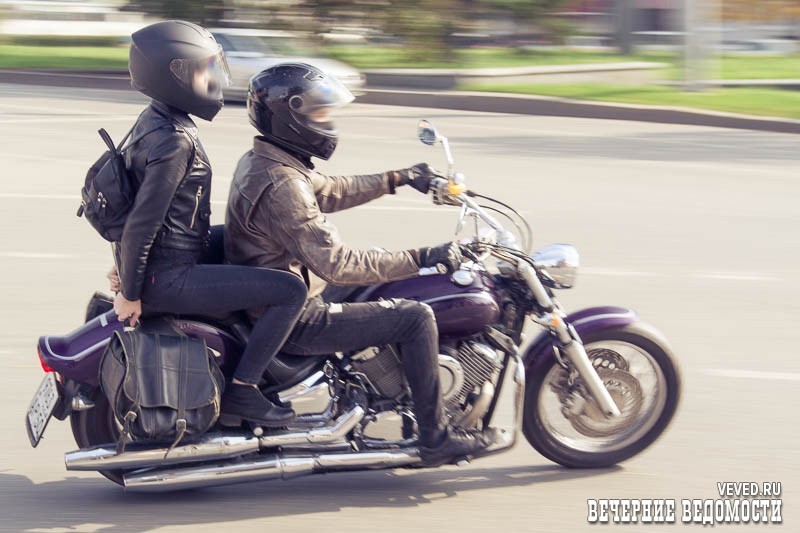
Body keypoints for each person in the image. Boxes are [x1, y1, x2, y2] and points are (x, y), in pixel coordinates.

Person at [225, 63, 494, 466]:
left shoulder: (268, 161)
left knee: (386, 278)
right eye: (319, 114)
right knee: (416, 317)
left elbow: (332, 190)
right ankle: (435, 438)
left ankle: (381, 389)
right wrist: (424, 257)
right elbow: (338, 263)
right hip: (294, 316)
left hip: (290, 289)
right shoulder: (284, 184)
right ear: (289, 116)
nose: (327, 122)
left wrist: (399, 178)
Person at [110, 21, 308, 427]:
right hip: (171, 275)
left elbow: (135, 209)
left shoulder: (156, 119)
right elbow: (142, 223)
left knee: (253, 238)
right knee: (291, 290)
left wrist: (127, 265)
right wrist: (131, 291)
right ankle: (244, 389)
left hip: (174, 254)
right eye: (203, 71)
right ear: (172, 75)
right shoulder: (174, 140)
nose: (213, 79)